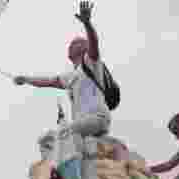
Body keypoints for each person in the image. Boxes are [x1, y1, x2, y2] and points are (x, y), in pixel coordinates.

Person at [12, 1, 112, 141]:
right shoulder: (70, 76)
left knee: (61, 135)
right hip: (84, 124)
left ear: (85, 47)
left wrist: (87, 24)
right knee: (70, 143)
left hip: (97, 117)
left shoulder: (91, 62)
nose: (72, 44)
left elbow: (94, 42)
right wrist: (26, 79)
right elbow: (48, 82)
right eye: (71, 44)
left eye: (76, 42)